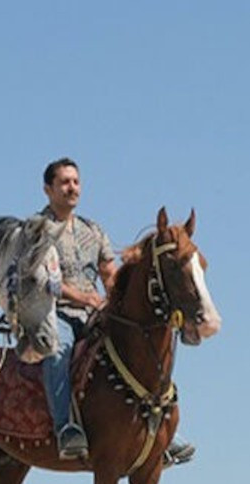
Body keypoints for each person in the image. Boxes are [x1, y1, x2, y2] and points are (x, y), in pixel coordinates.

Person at [38, 157, 194, 465]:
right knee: (58, 351)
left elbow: (108, 271)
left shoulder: (91, 230)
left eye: (76, 182)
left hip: (94, 310)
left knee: (140, 344)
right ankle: (65, 427)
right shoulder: (39, 230)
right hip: (54, 311)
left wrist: (115, 297)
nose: (72, 188)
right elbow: (45, 279)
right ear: (48, 189)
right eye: (65, 182)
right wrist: (85, 298)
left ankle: (159, 432)